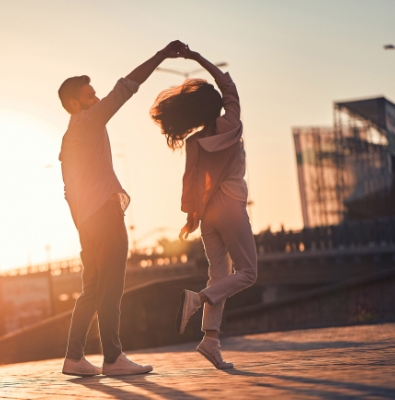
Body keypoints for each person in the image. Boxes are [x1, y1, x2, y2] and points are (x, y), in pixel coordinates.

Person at [58, 41, 184, 377]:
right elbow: (126, 88)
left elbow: (68, 190)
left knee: (93, 290)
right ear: (75, 104)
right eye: (90, 96)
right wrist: (160, 55)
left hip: (87, 222)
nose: (97, 100)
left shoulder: (68, 138)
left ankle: (74, 357)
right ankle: (113, 359)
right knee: (111, 289)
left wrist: (82, 223)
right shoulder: (88, 121)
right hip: (104, 215)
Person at [150, 44, 257, 370]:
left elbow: (191, 181)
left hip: (207, 212)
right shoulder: (231, 124)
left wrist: (190, 217)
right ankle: (197, 299)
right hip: (230, 204)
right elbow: (228, 86)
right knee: (248, 273)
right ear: (216, 107)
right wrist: (196, 57)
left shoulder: (195, 142)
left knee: (219, 274)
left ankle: (210, 340)